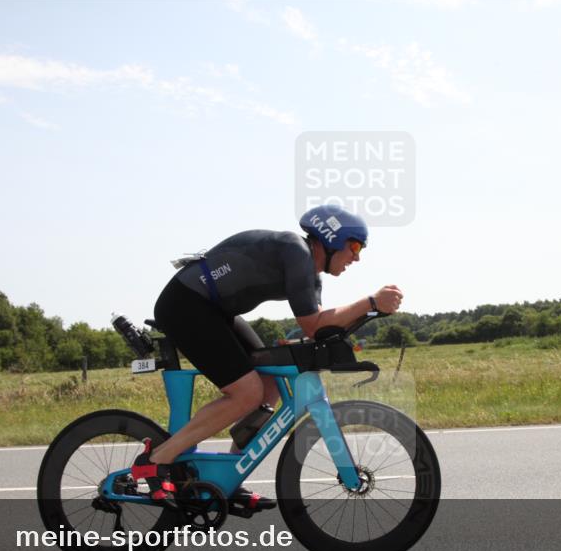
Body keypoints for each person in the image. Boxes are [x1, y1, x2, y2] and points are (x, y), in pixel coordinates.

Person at [131, 205, 403, 510]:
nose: (357, 257)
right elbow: (313, 323)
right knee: (246, 393)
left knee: (271, 383)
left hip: (214, 310)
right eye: (354, 246)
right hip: (186, 305)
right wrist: (369, 301)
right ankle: (156, 460)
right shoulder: (295, 251)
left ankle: (228, 478)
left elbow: (318, 328)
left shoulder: (310, 275)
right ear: (330, 239)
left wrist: (371, 309)